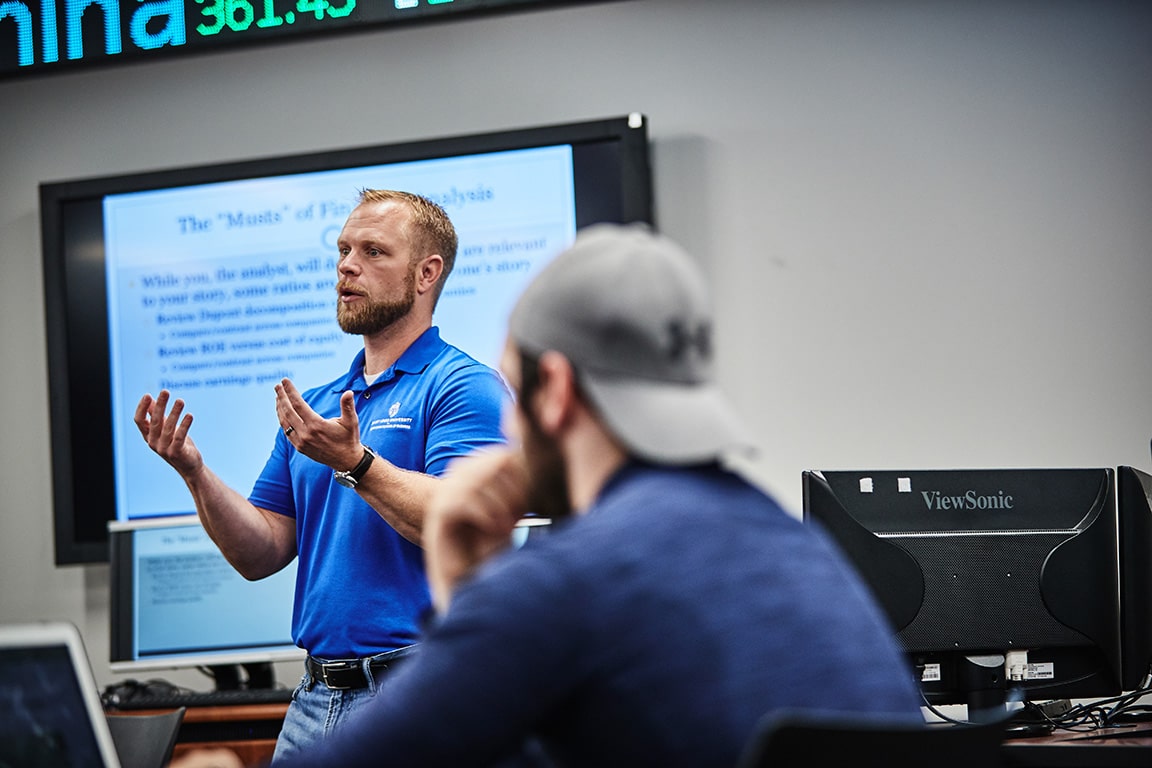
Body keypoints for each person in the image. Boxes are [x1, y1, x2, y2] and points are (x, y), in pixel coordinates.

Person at [270, 222, 926, 767]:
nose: (509, 426)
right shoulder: (795, 544)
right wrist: (470, 589)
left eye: (515, 391)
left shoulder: (569, 578)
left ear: (554, 390)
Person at [134, 189, 508, 763]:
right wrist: (195, 472)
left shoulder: (462, 387)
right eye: (342, 250)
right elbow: (261, 552)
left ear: (426, 273)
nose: (347, 266)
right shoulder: (321, 405)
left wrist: (356, 464)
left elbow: (457, 523)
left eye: (373, 251)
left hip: (413, 686)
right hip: (314, 699)